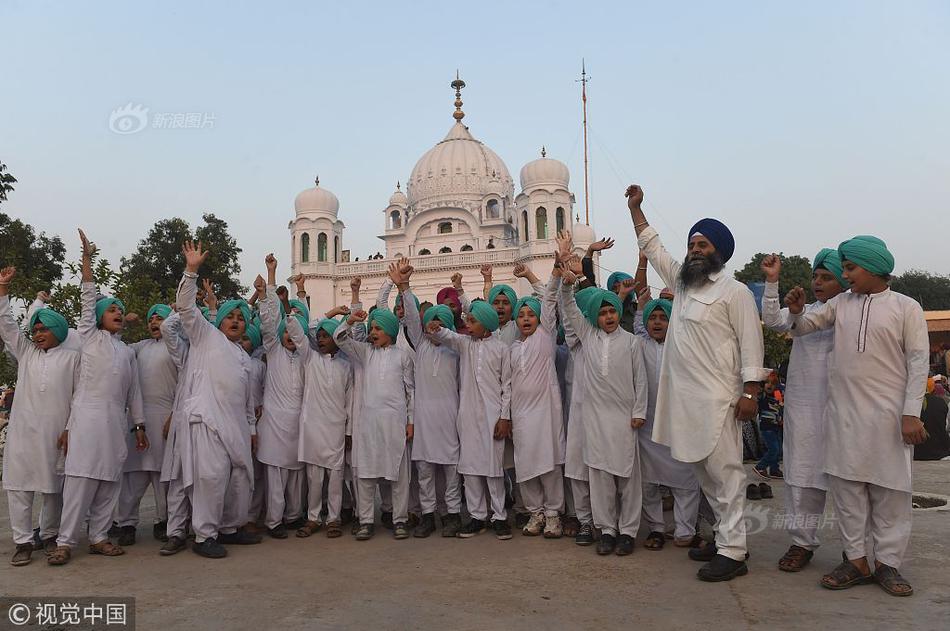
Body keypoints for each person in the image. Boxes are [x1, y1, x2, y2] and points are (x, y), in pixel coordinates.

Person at [629, 185, 769, 582]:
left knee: (726, 475)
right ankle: (724, 537)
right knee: (705, 476)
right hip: (686, 401)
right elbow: (652, 247)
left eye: (702, 244)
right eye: (691, 243)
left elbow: (751, 344)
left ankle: (734, 552)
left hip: (721, 400)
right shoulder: (685, 283)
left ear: (719, 252)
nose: (694, 249)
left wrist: (749, 392)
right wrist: (636, 209)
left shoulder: (735, 292)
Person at [785, 235, 929, 596]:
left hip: (889, 418)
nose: (845, 274)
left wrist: (911, 413)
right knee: (847, 491)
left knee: (890, 492)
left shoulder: (905, 306)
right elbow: (803, 329)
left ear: (876, 267)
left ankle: (888, 564)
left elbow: (917, 362)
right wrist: (799, 311)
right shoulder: (841, 305)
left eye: (850, 268)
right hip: (843, 416)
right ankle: (856, 560)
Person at [49, 230, 149, 566]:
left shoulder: (126, 352)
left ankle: (99, 537)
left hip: (114, 423)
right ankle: (64, 542)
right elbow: (88, 299)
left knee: (109, 481)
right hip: (87, 419)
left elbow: (134, 392)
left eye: (121, 311)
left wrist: (138, 426)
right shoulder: (88, 337)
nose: (118, 313)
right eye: (113, 310)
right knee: (80, 482)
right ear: (99, 318)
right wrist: (88, 260)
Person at [557, 234, 649, 557]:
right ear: (595, 315)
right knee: (600, 477)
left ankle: (628, 531)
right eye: (603, 312)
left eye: (613, 311)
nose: (609, 316)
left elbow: (641, 381)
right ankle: (607, 529)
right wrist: (566, 283)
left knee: (627, 477)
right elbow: (568, 309)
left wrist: (639, 411)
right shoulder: (588, 335)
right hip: (595, 419)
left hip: (624, 420)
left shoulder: (632, 342)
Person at [172, 240, 260, 559]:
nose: (236, 320)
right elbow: (185, 308)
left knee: (239, 479)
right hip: (207, 420)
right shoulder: (206, 337)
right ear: (219, 320)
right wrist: (192, 270)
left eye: (240, 317)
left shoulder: (244, 358)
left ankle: (230, 528)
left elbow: (247, 401)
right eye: (230, 316)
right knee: (211, 478)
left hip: (235, 425)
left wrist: (251, 429)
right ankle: (204, 535)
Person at [760, 250, 845, 571]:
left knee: (850, 481)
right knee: (802, 476)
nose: (818, 283)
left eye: (827, 277)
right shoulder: (803, 311)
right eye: (816, 277)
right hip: (805, 407)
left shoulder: (853, 311)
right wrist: (772, 283)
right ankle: (802, 543)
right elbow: (772, 320)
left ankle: (857, 551)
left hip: (845, 407)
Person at [0, 266, 81, 567]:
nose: (37, 334)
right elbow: (7, 325)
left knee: (53, 488)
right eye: (35, 330)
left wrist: (71, 428)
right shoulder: (26, 353)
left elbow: (79, 398)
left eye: (43, 329)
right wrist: (2, 291)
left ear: (57, 331)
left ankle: (49, 535)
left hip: (56, 433)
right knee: (19, 488)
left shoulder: (73, 358)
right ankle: (22, 542)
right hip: (23, 433)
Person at [426, 300, 512, 540]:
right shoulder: (465, 344)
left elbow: (507, 385)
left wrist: (504, 417)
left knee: (493, 469)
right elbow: (449, 337)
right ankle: (477, 517)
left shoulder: (501, 348)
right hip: (467, 415)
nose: (468, 325)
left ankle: (499, 517)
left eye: (473, 322)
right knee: (472, 469)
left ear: (487, 325)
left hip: (493, 416)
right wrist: (436, 328)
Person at [391, 260, 464, 538]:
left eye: (440, 323)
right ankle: (429, 516)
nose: (434, 327)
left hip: (449, 416)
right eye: (430, 323)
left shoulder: (456, 349)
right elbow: (411, 318)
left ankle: (454, 515)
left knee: (451, 470)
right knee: (424, 470)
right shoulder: (420, 345)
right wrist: (404, 287)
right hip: (422, 418)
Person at [333, 305, 414, 540]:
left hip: (394, 422)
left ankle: (400, 520)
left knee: (398, 474)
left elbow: (411, 391)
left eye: (379, 328)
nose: (374, 332)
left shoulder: (402, 355)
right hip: (368, 423)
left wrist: (410, 421)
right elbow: (339, 338)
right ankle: (366, 520)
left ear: (390, 330)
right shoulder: (365, 352)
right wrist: (350, 320)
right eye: (372, 328)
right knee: (367, 473)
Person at [632, 291, 703, 551]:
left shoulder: (683, 345)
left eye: (664, 317)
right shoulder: (638, 345)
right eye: (654, 318)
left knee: (685, 480)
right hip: (646, 424)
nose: (658, 322)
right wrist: (640, 305)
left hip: (678, 425)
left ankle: (685, 530)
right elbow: (637, 324)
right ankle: (656, 529)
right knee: (648, 482)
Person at [114, 303, 179, 546]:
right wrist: (124, 326)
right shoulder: (139, 347)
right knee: (133, 476)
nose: (154, 322)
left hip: (165, 417)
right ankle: (127, 523)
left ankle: (163, 521)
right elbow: (116, 350)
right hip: (138, 419)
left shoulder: (178, 348)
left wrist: (175, 415)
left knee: (164, 477)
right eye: (151, 318)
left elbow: (185, 385)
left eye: (160, 318)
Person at [507, 270, 567, 538]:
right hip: (520, 416)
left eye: (531, 314)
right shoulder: (513, 349)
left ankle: (553, 514)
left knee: (549, 464)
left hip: (546, 413)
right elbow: (506, 385)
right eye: (521, 315)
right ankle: (535, 512)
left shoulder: (546, 337)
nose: (526, 319)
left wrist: (547, 274)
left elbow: (550, 298)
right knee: (527, 465)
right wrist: (506, 416)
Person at [288, 307, 351, 539]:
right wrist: (330, 313)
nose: (322, 339)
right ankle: (313, 518)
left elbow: (350, 401)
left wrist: (349, 431)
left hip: (336, 427)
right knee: (315, 477)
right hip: (313, 427)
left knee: (335, 477)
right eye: (320, 336)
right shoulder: (310, 357)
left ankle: (334, 519)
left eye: (327, 335)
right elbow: (297, 331)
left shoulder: (346, 366)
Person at [257, 254, 307, 539]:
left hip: (299, 424)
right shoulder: (273, 349)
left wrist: (299, 296)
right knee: (276, 477)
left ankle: (292, 517)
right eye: (287, 329)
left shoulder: (305, 356)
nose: (291, 332)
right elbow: (270, 319)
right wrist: (271, 275)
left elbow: (297, 320)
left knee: (296, 478)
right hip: (275, 425)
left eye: (296, 328)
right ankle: (274, 521)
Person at [752, 383, 784, 479]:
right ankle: (760, 467)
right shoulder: (762, 396)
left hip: (777, 425)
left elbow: (781, 406)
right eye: (767, 383)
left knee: (778, 450)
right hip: (767, 427)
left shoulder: (778, 393)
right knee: (774, 449)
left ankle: (774, 469)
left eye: (772, 383)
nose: (770, 386)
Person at [915, 379, 949, 461]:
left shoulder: (909, 403)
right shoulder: (941, 402)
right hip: (940, 450)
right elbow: (946, 427)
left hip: (916, 452)